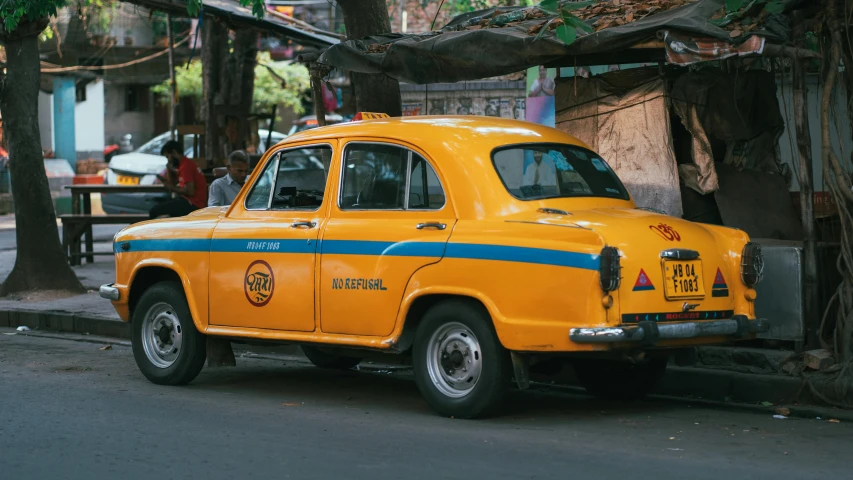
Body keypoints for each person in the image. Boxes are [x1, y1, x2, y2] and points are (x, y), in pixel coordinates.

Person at [149, 140, 208, 219]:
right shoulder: (183, 165)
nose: (168, 160)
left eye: (168, 157)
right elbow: (172, 183)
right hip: (187, 201)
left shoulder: (186, 166)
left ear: (174, 153)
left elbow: (190, 192)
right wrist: (169, 168)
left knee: (154, 211)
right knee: (155, 201)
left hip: (194, 204)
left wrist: (171, 187)